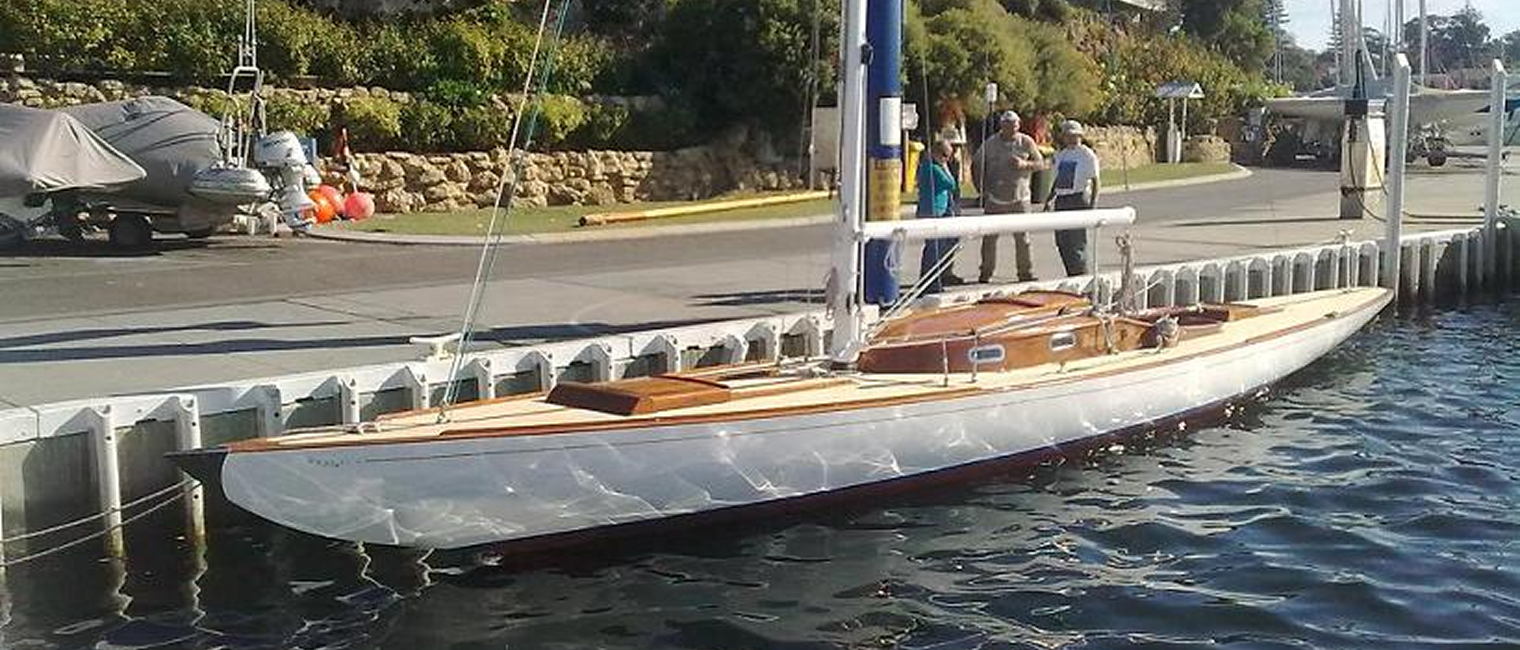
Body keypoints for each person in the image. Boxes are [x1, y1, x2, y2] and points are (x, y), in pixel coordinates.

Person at [970, 110, 1043, 283]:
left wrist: (1025, 164)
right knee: (989, 238)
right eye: (1008, 125)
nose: (1012, 128)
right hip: (995, 198)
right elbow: (976, 164)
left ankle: (1025, 273)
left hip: (1020, 197)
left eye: (1015, 125)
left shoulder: (1026, 142)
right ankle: (986, 272)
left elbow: (1041, 163)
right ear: (1002, 125)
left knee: (1023, 239)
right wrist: (982, 190)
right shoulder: (991, 143)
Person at [1046, 119, 1100, 277]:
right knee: (1062, 242)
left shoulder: (1086, 155)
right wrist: (1050, 199)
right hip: (1062, 200)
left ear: (1080, 136)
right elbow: (1057, 179)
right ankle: (1071, 273)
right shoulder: (1061, 155)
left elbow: (1095, 180)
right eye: (1067, 135)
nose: (1070, 138)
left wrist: (1093, 204)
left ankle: (1081, 275)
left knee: (1077, 242)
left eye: (1073, 135)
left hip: (1078, 198)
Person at [916, 141, 963, 293]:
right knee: (935, 249)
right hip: (933, 211)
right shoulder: (933, 168)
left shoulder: (927, 166)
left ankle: (932, 281)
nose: (946, 159)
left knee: (937, 248)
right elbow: (951, 184)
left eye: (948, 156)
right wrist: (945, 167)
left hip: (937, 210)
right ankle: (930, 284)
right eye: (944, 155)